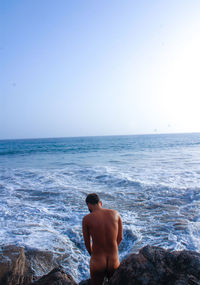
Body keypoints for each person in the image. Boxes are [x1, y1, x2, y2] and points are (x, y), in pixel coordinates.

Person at [82, 193, 123, 285]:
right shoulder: (116, 214)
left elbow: (87, 244)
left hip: (97, 261)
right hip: (113, 260)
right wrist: (113, 249)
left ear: (88, 204)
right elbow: (120, 237)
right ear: (100, 203)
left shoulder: (87, 219)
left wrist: (93, 255)